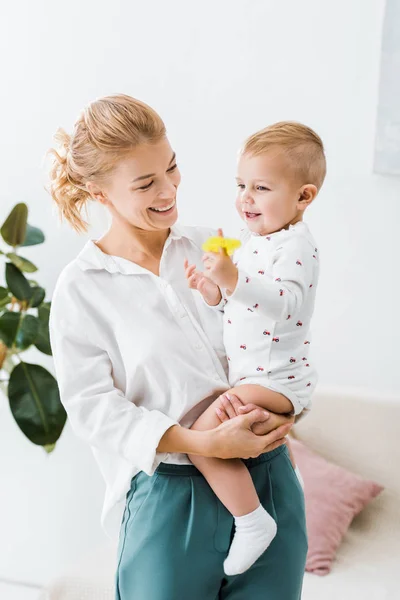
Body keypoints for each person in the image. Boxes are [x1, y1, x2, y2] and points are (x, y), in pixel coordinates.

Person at [48, 94, 306, 600]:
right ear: (98, 192)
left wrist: (285, 410)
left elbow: (272, 338)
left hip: (269, 477)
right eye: (145, 183)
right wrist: (203, 444)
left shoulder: (216, 244)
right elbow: (93, 409)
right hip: (172, 500)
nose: (168, 190)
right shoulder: (83, 288)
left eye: (171, 168)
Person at [184, 121, 324, 575]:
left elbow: (285, 303)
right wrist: (213, 290)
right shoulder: (251, 244)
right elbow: (236, 307)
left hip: (277, 380)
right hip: (255, 377)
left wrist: (234, 280)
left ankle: (252, 520)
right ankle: (251, 512)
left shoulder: (297, 246)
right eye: (241, 184)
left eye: (261, 187)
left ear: (304, 197)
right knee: (211, 439)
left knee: (201, 442)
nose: (246, 197)